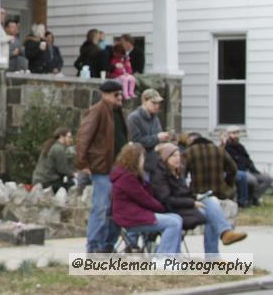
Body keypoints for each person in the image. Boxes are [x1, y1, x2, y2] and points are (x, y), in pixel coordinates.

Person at [150, 143, 246, 258]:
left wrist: (196, 198)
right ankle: (217, 248)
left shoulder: (177, 172)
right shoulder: (160, 175)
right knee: (211, 214)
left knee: (211, 201)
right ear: (165, 158)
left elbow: (184, 193)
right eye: (173, 156)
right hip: (171, 210)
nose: (177, 159)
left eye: (178, 155)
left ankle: (223, 237)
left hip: (183, 206)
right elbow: (166, 200)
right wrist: (192, 203)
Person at [75, 79, 128, 253]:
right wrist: (83, 164)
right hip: (103, 168)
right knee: (100, 208)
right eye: (116, 94)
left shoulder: (118, 112)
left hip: (119, 169)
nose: (120, 97)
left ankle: (107, 245)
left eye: (121, 94)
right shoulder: (97, 111)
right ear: (104, 95)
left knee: (117, 209)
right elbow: (84, 137)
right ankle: (93, 247)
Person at [110, 143, 183, 254]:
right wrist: (163, 208)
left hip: (135, 214)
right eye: (142, 157)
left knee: (177, 218)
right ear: (135, 159)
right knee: (173, 223)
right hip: (130, 217)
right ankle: (163, 259)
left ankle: (175, 257)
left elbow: (146, 195)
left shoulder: (130, 176)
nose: (144, 160)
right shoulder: (126, 178)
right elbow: (145, 199)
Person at [223, 127, 272, 207]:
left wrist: (255, 170)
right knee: (252, 180)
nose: (236, 136)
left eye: (237, 133)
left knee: (267, 178)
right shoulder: (225, 147)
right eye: (233, 133)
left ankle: (254, 198)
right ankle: (246, 201)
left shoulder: (240, 147)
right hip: (237, 172)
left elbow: (248, 160)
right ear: (227, 135)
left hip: (248, 170)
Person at [126, 89, 170, 176]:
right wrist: (157, 138)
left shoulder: (155, 118)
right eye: (153, 103)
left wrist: (164, 140)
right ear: (144, 101)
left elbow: (158, 137)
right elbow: (137, 142)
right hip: (142, 166)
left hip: (156, 165)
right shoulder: (134, 118)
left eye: (158, 103)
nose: (157, 106)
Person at [183, 132, 237, 201]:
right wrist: (229, 182)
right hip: (220, 192)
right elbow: (233, 168)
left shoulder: (188, 152)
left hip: (198, 192)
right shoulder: (219, 150)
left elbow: (182, 174)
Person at [32, 127, 75, 192]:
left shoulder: (50, 145)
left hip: (37, 180)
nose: (70, 139)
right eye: (69, 137)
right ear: (61, 136)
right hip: (48, 181)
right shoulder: (59, 149)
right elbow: (62, 169)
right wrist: (73, 174)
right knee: (72, 184)